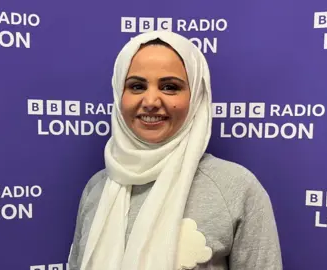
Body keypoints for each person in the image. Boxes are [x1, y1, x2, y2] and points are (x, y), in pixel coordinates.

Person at [68, 30, 282, 270]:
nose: (150, 101)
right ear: (120, 94)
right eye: (137, 86)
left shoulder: (236, 188)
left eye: (169, 87)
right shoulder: (97, 187)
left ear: (196, 97)